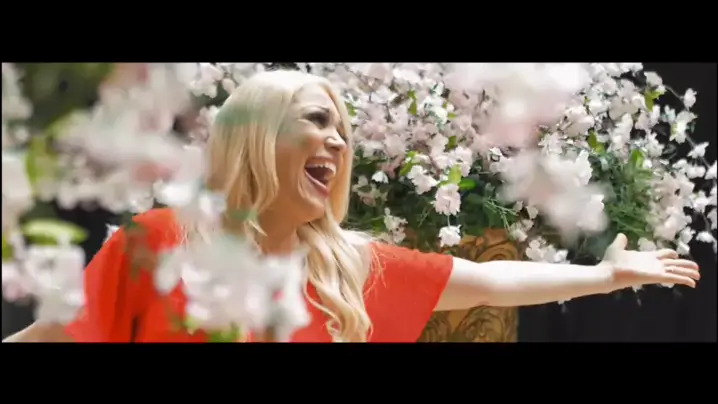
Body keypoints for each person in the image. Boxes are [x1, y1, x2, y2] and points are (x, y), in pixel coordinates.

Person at [3, 70, 700, 343]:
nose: (339, 141)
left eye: (342, 128)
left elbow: (491, 280)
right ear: (256, 136)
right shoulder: (159, 241)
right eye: (316, 121)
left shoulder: (348, 265)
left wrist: (605, 276)